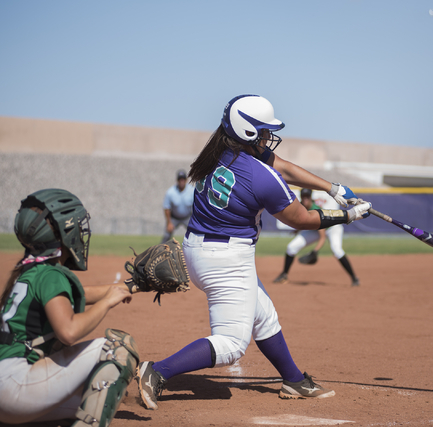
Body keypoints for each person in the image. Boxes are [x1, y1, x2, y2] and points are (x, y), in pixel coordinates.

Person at [135, 94, 371, 409]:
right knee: (232, 344)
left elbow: (282, 167)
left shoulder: (218, 150)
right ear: (246, 133)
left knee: (263, 315)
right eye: (261, 131)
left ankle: (293, 379)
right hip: (226, 259)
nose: (267, 137)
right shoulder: (259, 175)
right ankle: (157, 371)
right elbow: (301, 218)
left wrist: (333, 189)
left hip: (198, 249)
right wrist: (348, 216)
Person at [0, 189, 139, 426]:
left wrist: (133, 285)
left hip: (7, 389)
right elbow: (69, 331)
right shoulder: (51, 274)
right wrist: (107, 303)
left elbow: (80, 294)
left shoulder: (31, 270)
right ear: (65, 234)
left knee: (92, 397)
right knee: (117, 347)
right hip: (15, 388)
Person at [273, 188, 361, 286]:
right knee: (291, 247)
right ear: (301, 197)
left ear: (311, 197)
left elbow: (322, 237)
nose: (305, 198)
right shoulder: (300, 206)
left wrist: (315, 251)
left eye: (307, 196)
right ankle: (284, 274)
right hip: (315, 229)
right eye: (304, 196)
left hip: (332, 228)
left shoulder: (315, 209)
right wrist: (297, 230)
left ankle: (354, 278)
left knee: (337, 250)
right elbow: (301, 220)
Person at [161, 169, 195, 243]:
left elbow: (197, 205)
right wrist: (169, 222)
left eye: (183, 179)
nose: (181, 181)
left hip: (187, 217)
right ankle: (159, 251)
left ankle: (196, 250)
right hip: (174, 218)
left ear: (186, 180)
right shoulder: (171, 192)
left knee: (195, 232)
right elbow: (166, 207)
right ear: (177, 180)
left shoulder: (192, 191)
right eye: (180, 180)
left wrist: (195, 219)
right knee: (167, 235)